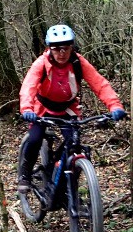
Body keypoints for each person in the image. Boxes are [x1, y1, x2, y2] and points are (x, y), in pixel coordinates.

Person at [17, 24, 126, 193]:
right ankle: (25, 175)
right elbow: (28, 86)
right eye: (56, 48)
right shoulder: (42, 64)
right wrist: (27, 109)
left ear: (71, 47)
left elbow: (99, 83)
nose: (61, 53)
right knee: (34, 139)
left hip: (68, 109)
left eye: (66, 48)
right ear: (50, 49)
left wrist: (114, 106)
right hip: (42, 108)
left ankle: (68, 190)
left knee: (73, 146)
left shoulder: (78, 62)